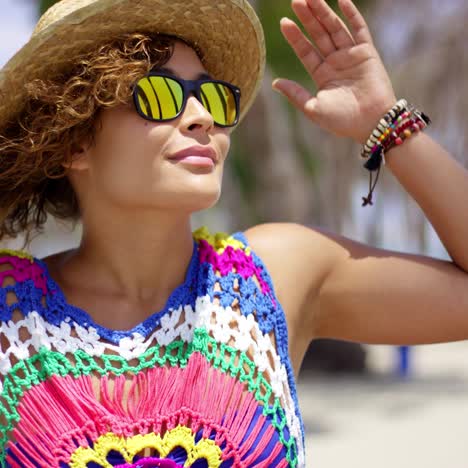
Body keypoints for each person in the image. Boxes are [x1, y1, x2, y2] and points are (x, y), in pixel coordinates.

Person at [0, 0, 467, 466]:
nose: (203, 116)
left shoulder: (274, 278)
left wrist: (385, 123)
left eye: (215, 98)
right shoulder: (11, 320)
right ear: (74, 140)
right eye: (161, 95)